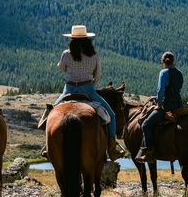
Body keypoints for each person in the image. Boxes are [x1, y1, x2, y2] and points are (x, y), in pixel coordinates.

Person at [41, 25, 125, 160]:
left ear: (72, 40)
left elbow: (61, 68)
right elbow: (97, 75)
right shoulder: (94, 55)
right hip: (88, 90)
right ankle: (112, 147)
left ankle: (47, 146)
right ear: (87, 40)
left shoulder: (66, 54)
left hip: (68, 90)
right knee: (111, 115)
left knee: (49, 115)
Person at [135, 51, 184, 163]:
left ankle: (149, 152)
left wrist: (159, 104)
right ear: (173, 61)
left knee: (146, 125)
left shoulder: (164, 72)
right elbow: (176, 90)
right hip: (179, 107)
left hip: (167, 107)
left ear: (163, 62)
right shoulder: (179, 73)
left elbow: (161, 90)